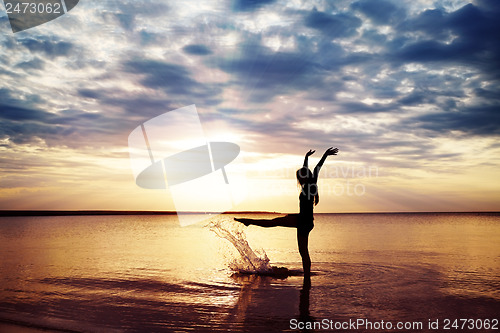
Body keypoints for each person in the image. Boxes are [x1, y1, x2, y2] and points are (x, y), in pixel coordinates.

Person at [235, 147, 339, 277]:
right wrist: (306, 158)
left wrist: (325, 155)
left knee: (301, 249)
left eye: (302, 176)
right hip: (304, 220)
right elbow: (307, 169)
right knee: (276, 224)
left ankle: (307, 276)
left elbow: (317, 168)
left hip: (304, 222)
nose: (300, 178)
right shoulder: (307, 185)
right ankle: (249, 221)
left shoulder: (311, 185)